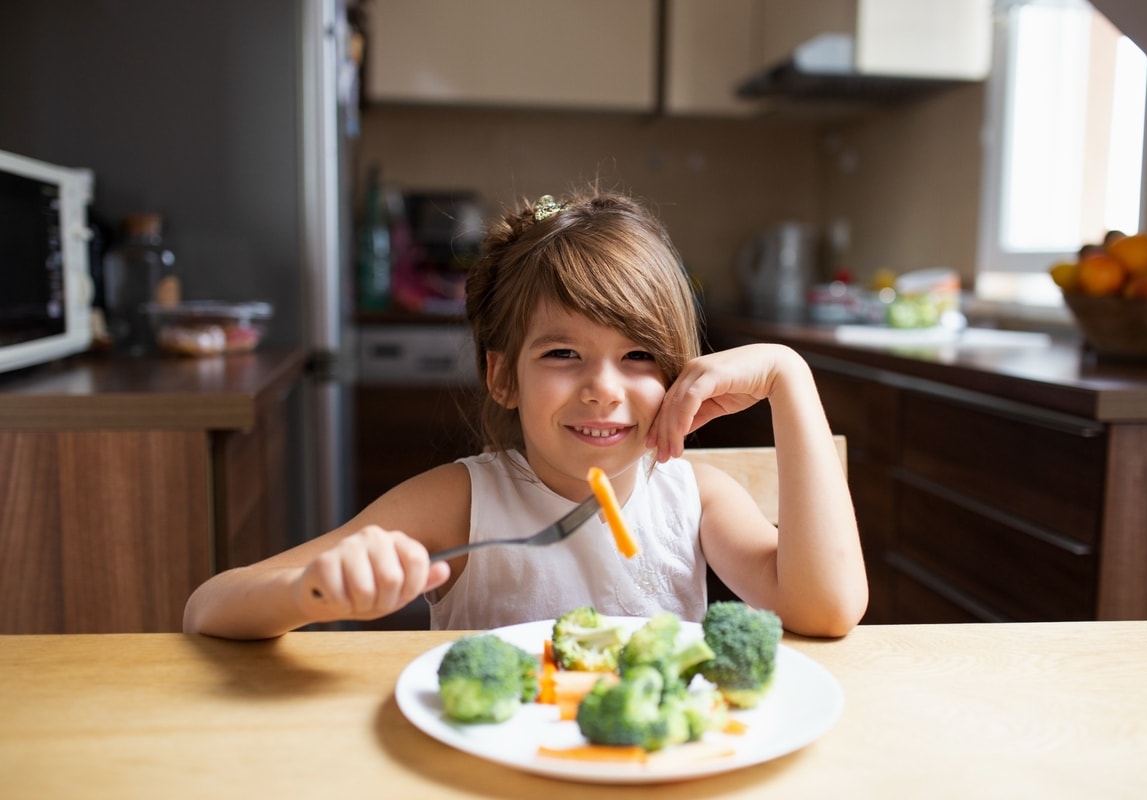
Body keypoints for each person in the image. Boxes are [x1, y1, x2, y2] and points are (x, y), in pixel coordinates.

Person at [183, 189, 867, 639]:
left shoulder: (697, 498)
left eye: (637, 357)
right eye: (564, 353)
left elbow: (826, 610)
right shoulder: (463, 502)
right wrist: (310, 592)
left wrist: (789, 377)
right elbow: (209, 607)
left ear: (678, 375)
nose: (603, 389)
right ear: (503, 376)